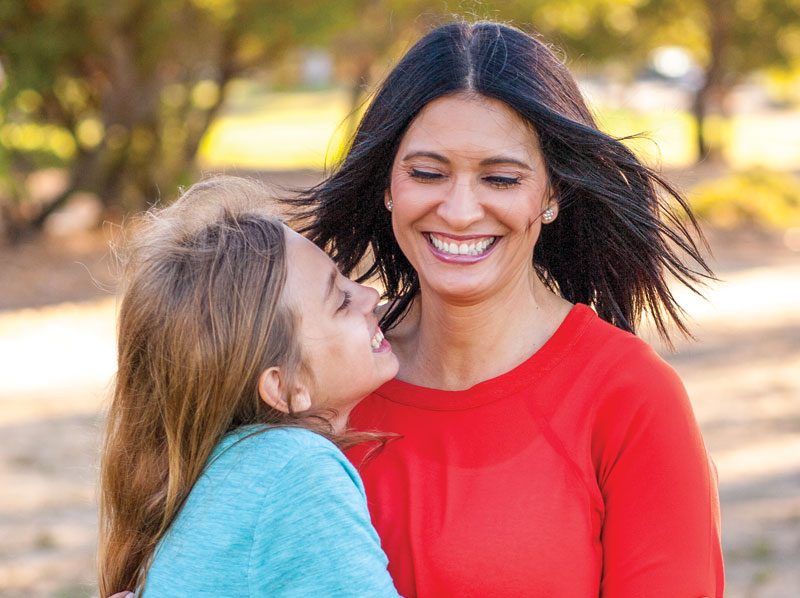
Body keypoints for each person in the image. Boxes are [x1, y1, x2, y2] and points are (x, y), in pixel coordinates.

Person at [290, 20, 725, 598]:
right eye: (427, 172)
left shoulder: (630, 396)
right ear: (388, 183)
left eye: (499, 178)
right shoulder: (318, 377)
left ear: (551, 194)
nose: (462, 210)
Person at [97, 177, 402, 598]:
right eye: (342, 302)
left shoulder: (227, 465)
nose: (369, 296)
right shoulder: (297, 469)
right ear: (284, 386)